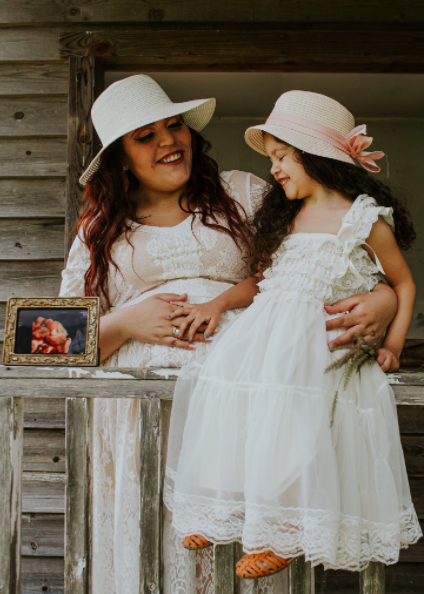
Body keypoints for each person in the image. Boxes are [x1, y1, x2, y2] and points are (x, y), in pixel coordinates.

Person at [60, 76, 397, 593]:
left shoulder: (244, 191)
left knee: (249, 555)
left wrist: (384, 297)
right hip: (137, 424)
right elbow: (48, 342)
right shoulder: (100, 228)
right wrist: (124, 322)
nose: (169, 141)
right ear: (120, 159)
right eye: (145, 136)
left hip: (249, 412)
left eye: (174, 126)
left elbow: (332, 257)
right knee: (151, 549)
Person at [164, 91, 422, 580]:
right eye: (274, 160)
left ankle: (283, 529)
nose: (276, 169)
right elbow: (260, 281)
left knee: (294, 423)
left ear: (317, 156)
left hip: (315, 346)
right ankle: (219, 509)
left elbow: (403, 283)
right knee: (223, 392)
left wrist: (392, 345)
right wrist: (217, 304)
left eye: (283, 157)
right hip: (264, 335)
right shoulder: (287, 217)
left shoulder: (363, 219)